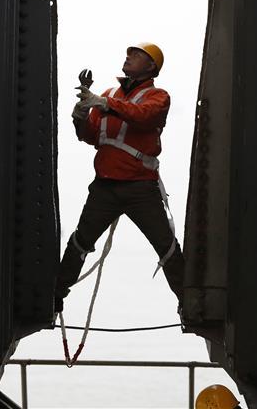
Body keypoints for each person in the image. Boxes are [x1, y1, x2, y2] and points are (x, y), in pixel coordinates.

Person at [53, 42, 184, 314]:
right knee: (80, 241)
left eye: (136, 55)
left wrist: (102, 103)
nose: (129, 57)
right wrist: (80, 117)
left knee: (166, 246)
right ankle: (54, 296)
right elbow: (93, 136)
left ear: (151, 66)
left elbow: (144, 117)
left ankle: (189, 303)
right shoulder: (109, 94)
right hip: (106, 186)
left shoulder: (158, 96)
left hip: (140, 186)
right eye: (129, 53)